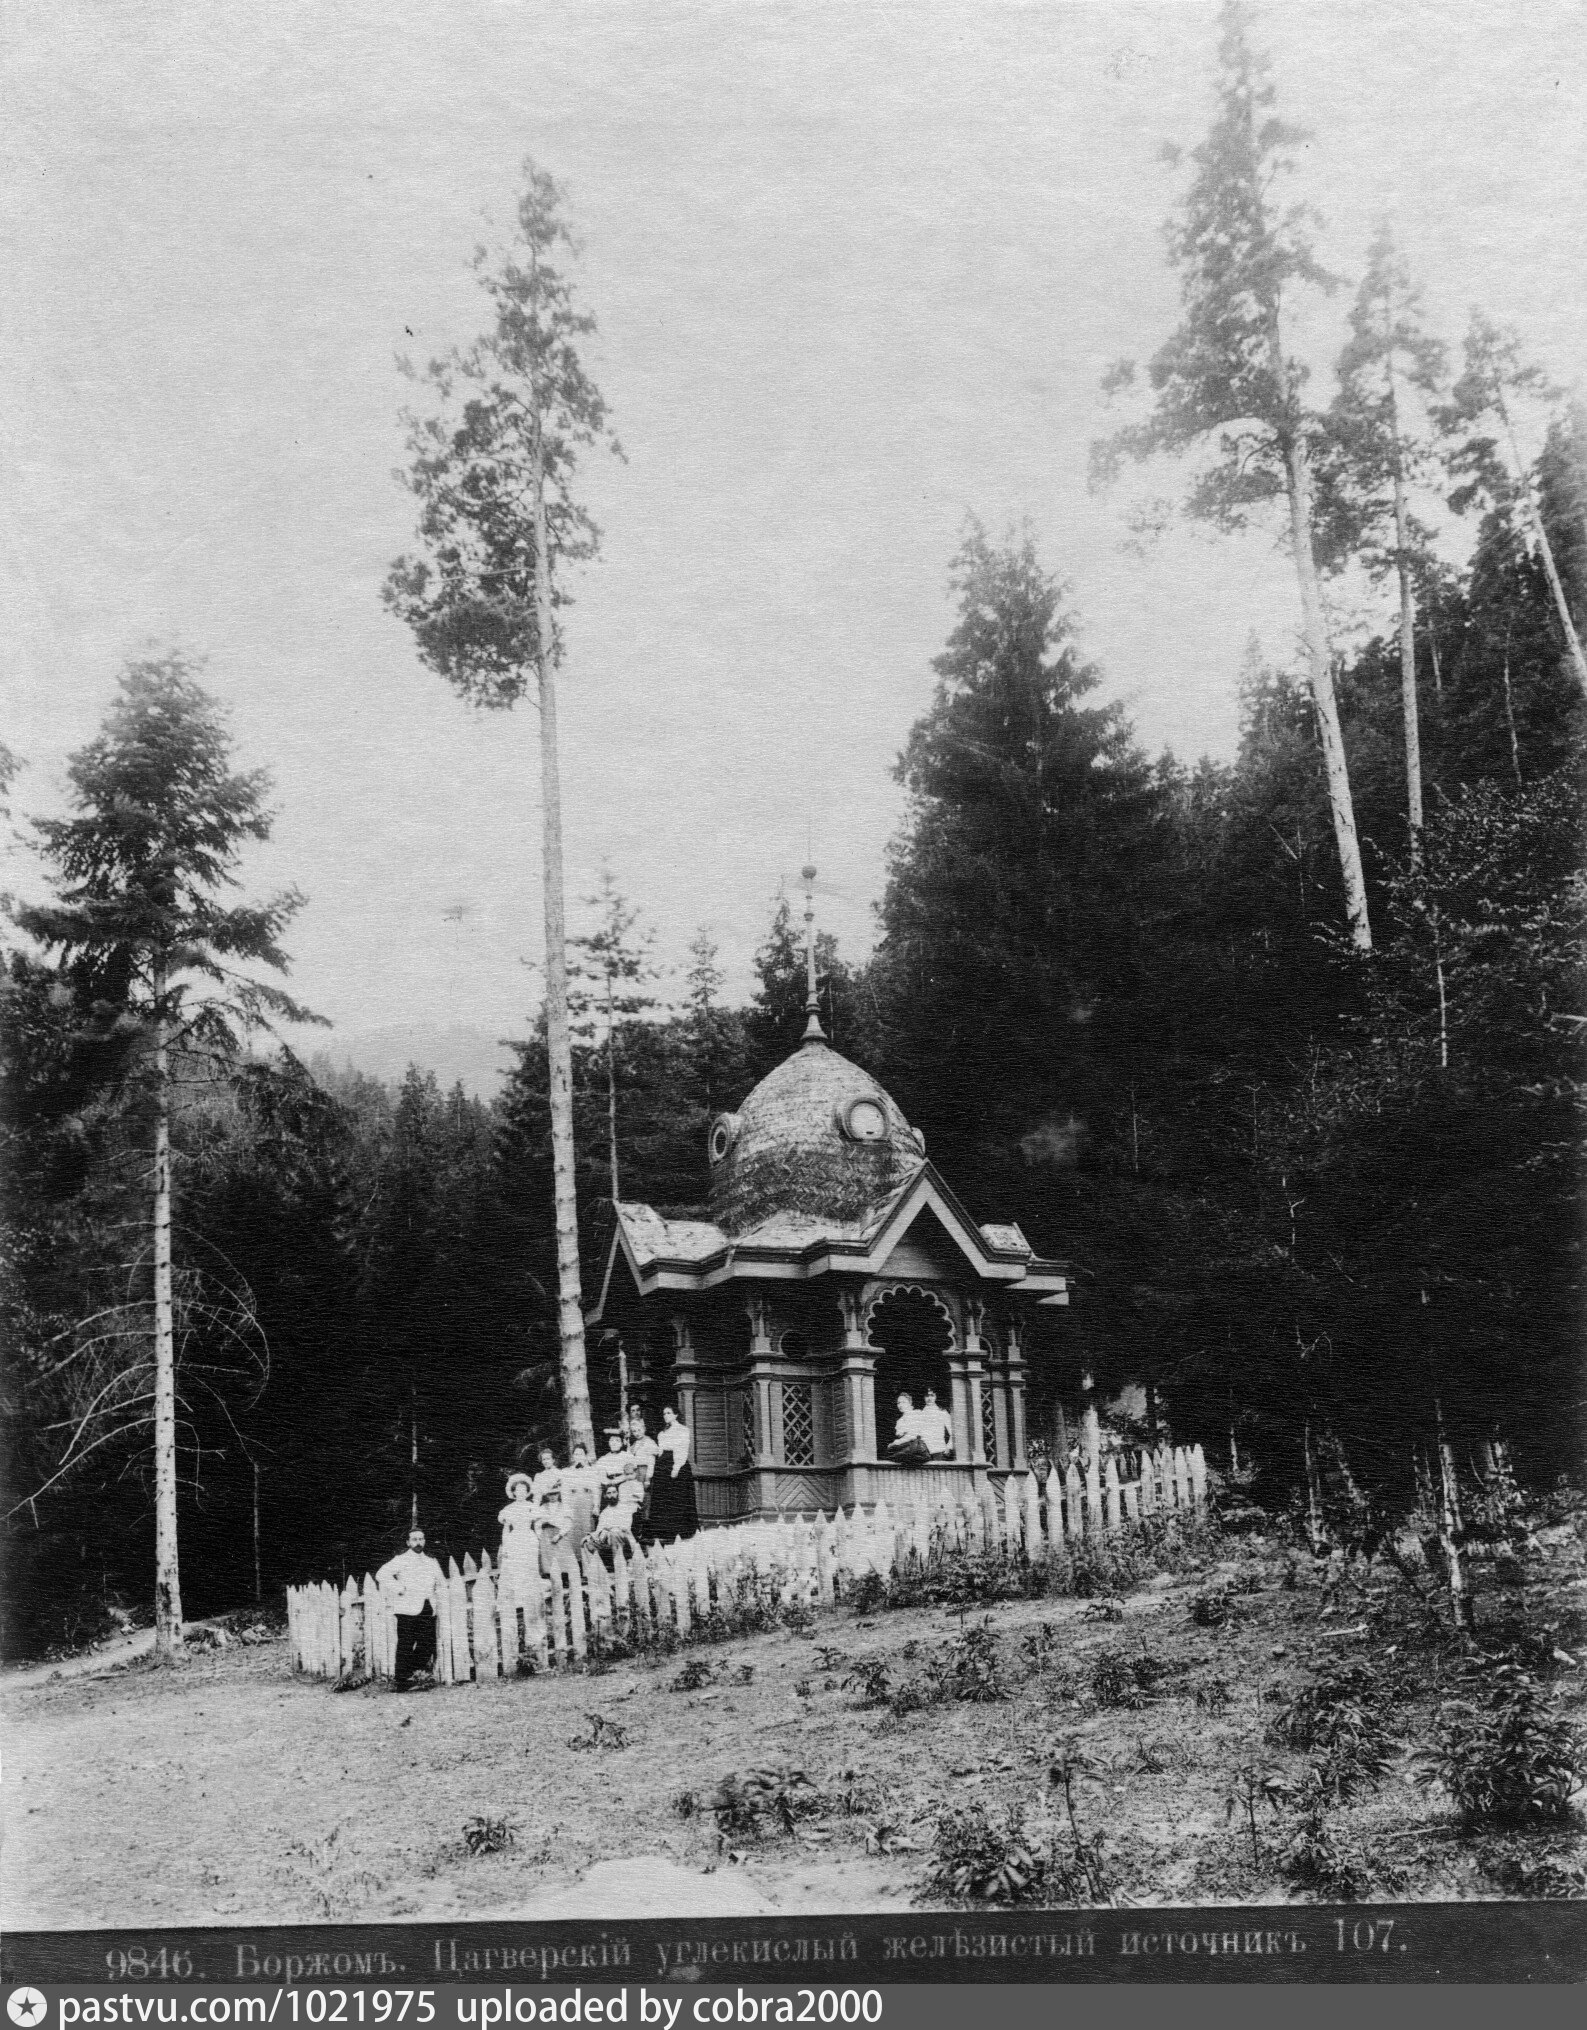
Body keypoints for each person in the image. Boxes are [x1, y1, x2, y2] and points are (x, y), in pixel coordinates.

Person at [375, 1527, 443, 1690]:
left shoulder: (431, 1561)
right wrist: (399, 1588)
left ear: (424, 1541)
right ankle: (401, 1681)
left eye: (421, 1539)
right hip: (406, 1607)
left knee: (428, 1643)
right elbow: (381, 1574)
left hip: (427, 1606)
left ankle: (411, 1674)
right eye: (414, 1539)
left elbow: (440, 1581)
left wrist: (437, 1595)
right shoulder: (401, 1559)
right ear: (408, 1542)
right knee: (405, 1643)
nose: (418, 1542)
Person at [646, 1404, 698, 1544]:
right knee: (664, 1498)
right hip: (662, 1467)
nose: (666, 1416)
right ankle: (665, 1531)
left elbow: (682, 1450)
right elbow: (661, 1450)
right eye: (664, 1413)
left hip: (676, 1465)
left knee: (677, 1497)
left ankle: (681, 1530)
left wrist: (676, 1468)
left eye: (669, 1413)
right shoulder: (662, 1433)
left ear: (676, 1415)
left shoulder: (682, 1430)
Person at [496, 1473, 539, 1584]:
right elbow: (506, 1529)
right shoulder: (509, 1509)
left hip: (529, 1538)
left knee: (529, 1564)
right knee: (516, 1566)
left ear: (527, 1491)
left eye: (523, 1490)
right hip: (515, 1539)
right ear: (514, 1492)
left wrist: (538, 1538)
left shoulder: (531, 1506)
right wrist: (505, 1547)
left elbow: (538, 1524)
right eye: (518, 1490)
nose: (521, 1493)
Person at [626, 1408, 660, 1543]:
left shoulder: (649, 1442)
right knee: (636, 1500)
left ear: (644, 1429)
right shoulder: (634, 1444)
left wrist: (647, 1479)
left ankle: (646, 1531)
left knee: (645, 1500)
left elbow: (651, 1462)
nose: (637, 1433)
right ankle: (637, 1530)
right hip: (636, 1474)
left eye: (639, 1430)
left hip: (644, 1473)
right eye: (634, 1431)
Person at [887, 1392, 932, 1466]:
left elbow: (913, 1435)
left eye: (903, 1402)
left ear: (910, 1403)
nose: (900, 1405)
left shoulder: (916, 1414)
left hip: (917, 1446)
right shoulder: (900, 1421)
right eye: (898, 1403)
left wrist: (896, 1442)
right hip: (907, 1446)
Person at [920, 1387, 955, 1459]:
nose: (929, 1398)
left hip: (939, 1450)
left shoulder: (942, 1412)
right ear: (924, 1397)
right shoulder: (920, 1413)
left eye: (932, 1395)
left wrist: (949, 1447)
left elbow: (953, 1432)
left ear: (935, 1396)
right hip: (924, 1451)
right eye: (927, 1396)